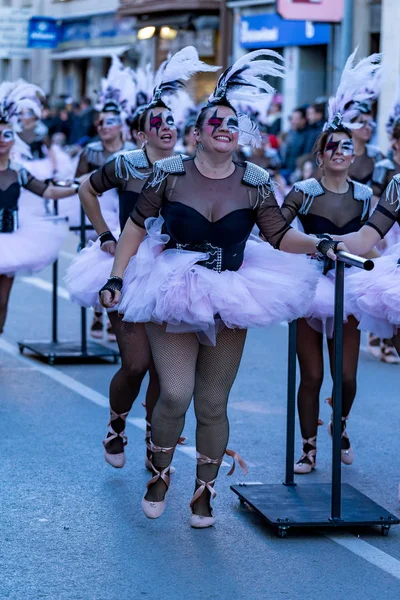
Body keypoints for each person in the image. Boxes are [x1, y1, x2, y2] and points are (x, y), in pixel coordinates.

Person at [99, 50, 343, 528]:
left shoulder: (254, 182)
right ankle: (159, 473)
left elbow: (277, 236)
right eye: (217, 121)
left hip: (232, 292)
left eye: (234, 122)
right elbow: (133, 226)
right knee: (174, 393)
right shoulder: (168, 174)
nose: (227, 127)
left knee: (212, 403)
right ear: (197, 134)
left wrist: (317, 242)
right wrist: (116, 276)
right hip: (172, 288)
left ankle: (203, 493)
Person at [69, 47, 218, 471]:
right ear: (140, 135)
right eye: (157, 123)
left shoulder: (188, 167)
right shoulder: (125, 164)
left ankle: (157, 437)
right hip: (128, 269)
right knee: (135, 364)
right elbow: (86, 189)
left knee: (163, 369)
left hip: (173, 271)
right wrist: (103, 234)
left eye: (171, 120)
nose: (167, 127)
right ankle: (117, 426)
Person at [280, 50, 381, 475]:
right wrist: (312, 245)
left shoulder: (363, 195)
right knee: (313, 375)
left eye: (347, 147)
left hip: (349, 287)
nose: (340, 152)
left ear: (354, 155)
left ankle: (338, 425)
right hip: (308, 286)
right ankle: (307, 447)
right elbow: (277, 234)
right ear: (320, 154)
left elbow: (372, 243)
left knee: (348, 376)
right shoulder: (302, 191)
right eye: (332, 147)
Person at [64, 57, 137, 342]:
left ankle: (116, 313)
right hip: (96, 211)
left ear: (121, 126)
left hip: (123, 212)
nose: (105, 127)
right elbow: (78, 181)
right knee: (96, 263)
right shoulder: (91, 151)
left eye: (111, 122)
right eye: (102, 123)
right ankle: (99, 313)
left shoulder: (133, 151)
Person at [0, 81, 78, 334]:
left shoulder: (18, 171)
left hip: (9, 241)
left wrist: (80, 187)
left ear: (13, 140)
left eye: (7, 134)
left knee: (1, 302)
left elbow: (47, 191)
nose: (2, 140)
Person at [281, 107, 309, 181]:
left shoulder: (307, 136)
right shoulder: (290, 133)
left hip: (297, 174)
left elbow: (306, 156)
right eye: (292, 118)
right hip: (285, 169)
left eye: (296, 119)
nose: (292, 121)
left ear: (303, 120)